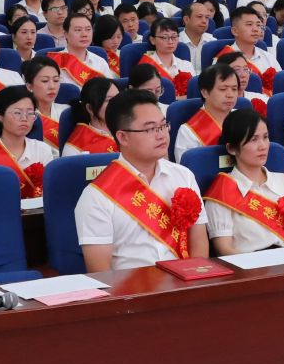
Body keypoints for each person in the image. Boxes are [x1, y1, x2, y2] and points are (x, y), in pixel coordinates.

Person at [74, 90, 207, 270]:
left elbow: (199, 245)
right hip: (131, 286)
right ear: (123, 137)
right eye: (150, 129)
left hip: (184, 280)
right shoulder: (97, 197)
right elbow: (100, 272)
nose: (161, 135)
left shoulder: (184, 176)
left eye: (163, 126)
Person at [203, 109, 284, 254]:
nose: (263, 146)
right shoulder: (220, 192)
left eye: (265, 137)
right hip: (247, 263)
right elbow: (224, 249)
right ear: (232, 148)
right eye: (253, 139)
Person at [0, 86, 53, 201]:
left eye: (30, 113)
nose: (24, 118)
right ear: (0, 116)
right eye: (17, 113)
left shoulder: (43, 150)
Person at [174, 62, 243, 160]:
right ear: (205, 92)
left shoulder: (243, 119)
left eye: (234, 89)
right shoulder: (188, 132)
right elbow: (187, 167)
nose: (230, 95)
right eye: (223, 89)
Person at [63, 76, 120, 155]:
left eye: (118, 98)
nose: (118, 104)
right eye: (109, 100)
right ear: (90, 108)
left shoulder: (130, 131)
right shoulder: (74, 149)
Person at [22, 58, 64, 148]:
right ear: (29, 86)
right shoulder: (22, 117)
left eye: (56, 80)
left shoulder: (67, 112)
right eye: (45, 81)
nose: (52, 86)